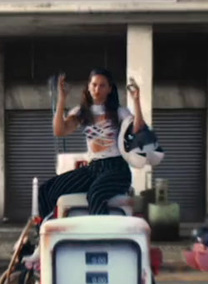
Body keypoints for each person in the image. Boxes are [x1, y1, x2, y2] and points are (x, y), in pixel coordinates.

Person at [35, 68, 146, 219]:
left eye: (102, 85)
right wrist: (62, 98)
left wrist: (136, 101)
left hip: (117, 168)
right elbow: (59, 131)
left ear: (109, 89)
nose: (97, 89)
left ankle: (102, 239)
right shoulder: (82, 112)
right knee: (46, 190)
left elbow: (138, 129)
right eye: (94, 85)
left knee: (96, 194)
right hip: (94, 168)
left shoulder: (119, 112)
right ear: (88, 86)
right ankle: (43, 233)